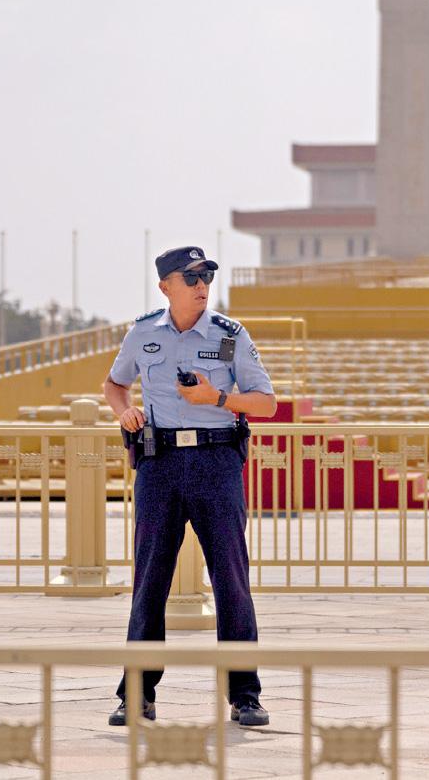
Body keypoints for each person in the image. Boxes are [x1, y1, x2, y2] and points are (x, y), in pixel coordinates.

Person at [103, 245, 277, 727]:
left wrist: (216, 397)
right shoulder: (143, 333)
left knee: (231, 579)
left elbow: (265, 402)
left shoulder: (228, 336)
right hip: (159, 465)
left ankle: (245, 694)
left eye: (207, 277)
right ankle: (137, 693)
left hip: (215, 462)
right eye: (191, 278)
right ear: (166, 286)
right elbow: (114, 384)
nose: (202, 287)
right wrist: (124, 411)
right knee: (149, 580)